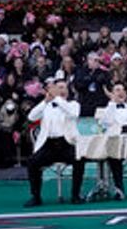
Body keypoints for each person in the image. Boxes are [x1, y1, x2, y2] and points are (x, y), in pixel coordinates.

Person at [24, 72, 86, 207]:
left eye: (64, 87)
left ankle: (75, 195)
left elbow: (73, 113)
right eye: (58, 88)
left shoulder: (73, 104)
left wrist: (57, 98)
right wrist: (45, 101)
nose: (61, 90)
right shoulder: (47, 105)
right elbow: (31, 117)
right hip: (49, 145)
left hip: (67, 143)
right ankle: (36, 196)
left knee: (79, 160)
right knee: (32, 162)